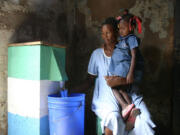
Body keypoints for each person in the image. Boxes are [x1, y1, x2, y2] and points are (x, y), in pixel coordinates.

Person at [70, 16, 156, 135]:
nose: (104, 36)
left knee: (145, 120)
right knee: (114, 119)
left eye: (108, 33)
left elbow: (136, 75)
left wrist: (120, 81)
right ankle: (125, 109)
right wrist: (70, 91)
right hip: (107, 100)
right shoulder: (97, 55)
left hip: (130, 95)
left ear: (117, 32)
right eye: (103, 33)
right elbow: (89, 81)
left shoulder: (127, 51)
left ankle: (129, 108)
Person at [105, 10, 144, 125]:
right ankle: (132, 109)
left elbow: (134, 56)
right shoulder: (122, 40)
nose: (120, 31)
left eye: (123, 28)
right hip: (121, 69)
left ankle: (124, 105)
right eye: (119, 28)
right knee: (121, 89)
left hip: (125, 70)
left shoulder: (131, 39)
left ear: (131, 28)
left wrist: (130, 73)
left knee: (113, 87)